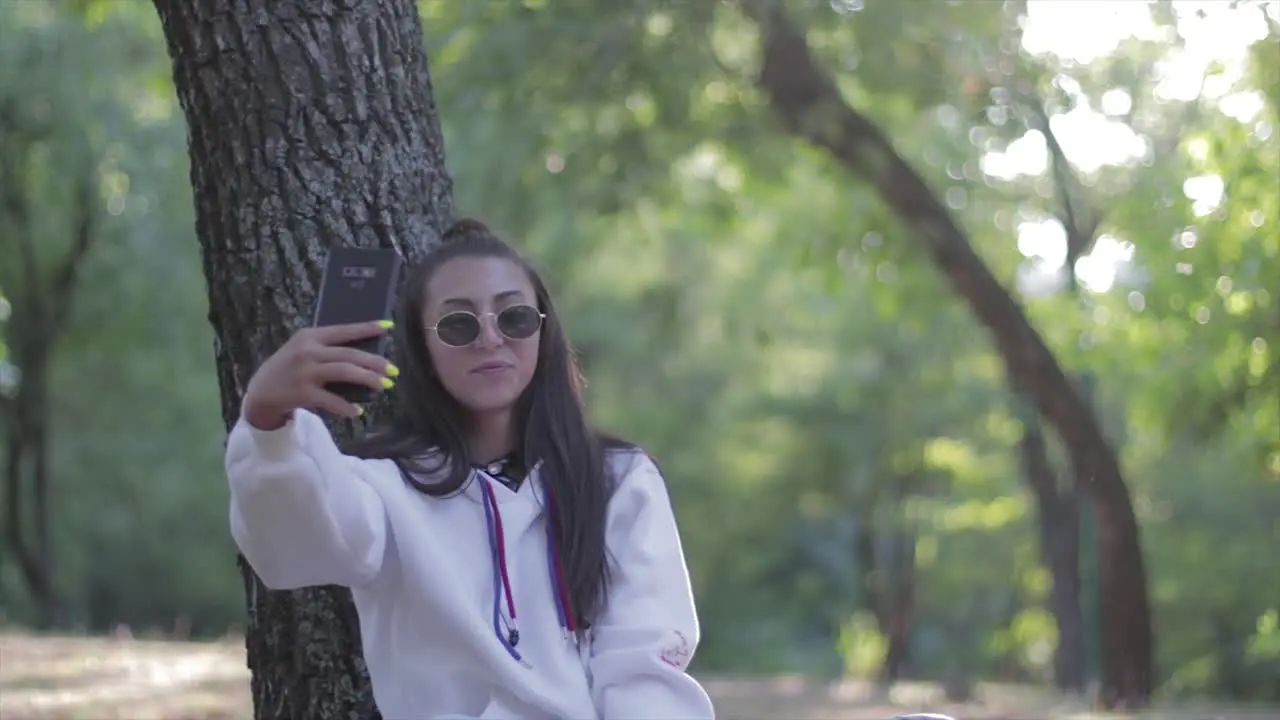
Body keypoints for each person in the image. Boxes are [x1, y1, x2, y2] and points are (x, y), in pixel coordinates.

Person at [225, 219, 716, 719]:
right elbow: (291, 552)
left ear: (543, 332)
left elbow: (643, 671)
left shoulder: (618, 481)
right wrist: (267, 421)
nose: (489, 338)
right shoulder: (380, 486)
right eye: (459, 324)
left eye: (515, 318)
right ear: (424, 349)